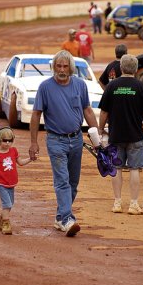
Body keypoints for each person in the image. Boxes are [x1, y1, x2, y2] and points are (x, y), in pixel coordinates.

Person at [29, 50, 98, 237]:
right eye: (58, 66)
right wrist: (33, 143)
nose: (61, 69)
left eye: (65, 66)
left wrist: (97, 137)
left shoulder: (80, 85)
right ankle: (68, 218)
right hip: (55, 140)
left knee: (73, 182)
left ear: (71, 68)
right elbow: (36, 115)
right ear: (53, 67)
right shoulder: (45, 87)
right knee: (62, 181)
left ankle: (60, 217)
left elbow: (88, 111)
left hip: (76, 139)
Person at [99, 54, 143, 215]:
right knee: (134, 169)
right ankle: (133, 204)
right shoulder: (141, 87)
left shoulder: (112, 86)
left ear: (121, 68)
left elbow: (104, 112)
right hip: (136, 134)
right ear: (136, 69)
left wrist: (101, 129)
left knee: (116, 168)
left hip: (116, 134)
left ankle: (117, 203)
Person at [0, 127, 32, 235]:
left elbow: (20, 162)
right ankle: (6, 224)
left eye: (10, 140)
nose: (7, 143)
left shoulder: (13, 151)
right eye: (4, 140)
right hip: (0, 183)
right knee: (7, 204)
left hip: (11, 183)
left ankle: (2, 218)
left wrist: (30, 159)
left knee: (10, 204)